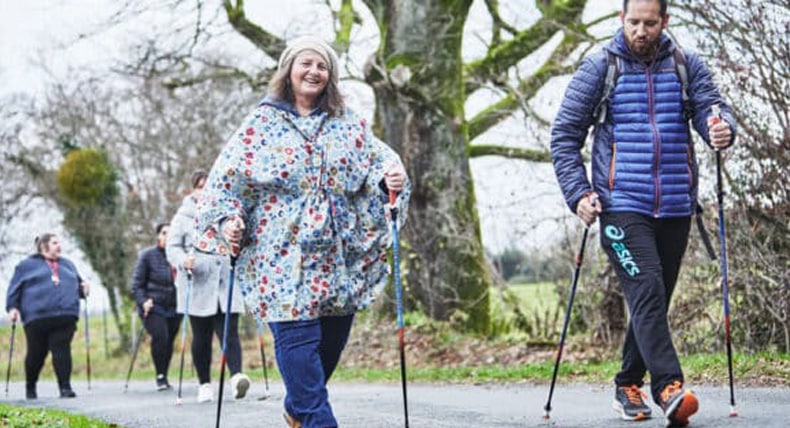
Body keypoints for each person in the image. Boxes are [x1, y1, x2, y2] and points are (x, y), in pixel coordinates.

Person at [193, 36, 410, 428]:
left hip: (337, 260)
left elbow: (380, 163)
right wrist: (230, 220)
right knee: (299, 351)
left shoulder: (348, 122)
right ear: (288, 70)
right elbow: (224, 183)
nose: (314, 71)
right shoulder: (260, 123)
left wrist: (389, 179)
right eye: (305, 63)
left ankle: (297, 409)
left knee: (326, 351)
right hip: (281, 260)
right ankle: (312, 417)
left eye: (322, 66)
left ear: (331, 76)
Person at [550, 0, 735, 426]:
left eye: (650, 23)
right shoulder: (599, 66)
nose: (641, 31)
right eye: (633, 22)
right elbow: (564, 136)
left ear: (664, 22)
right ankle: (669, 387)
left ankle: (626, 383)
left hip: (674, 204)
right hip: (619, 206)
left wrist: (720, 127)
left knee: (653, 297)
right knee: (647, 287)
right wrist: (578, 193)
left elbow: (714, 111)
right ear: (621, 19)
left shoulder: (686, 64)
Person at [166, 170, 251, 403]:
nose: (205, 191)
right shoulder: (183, 217)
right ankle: (204, 383)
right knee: (201, 337)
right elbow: (172, 248)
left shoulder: (226, 213)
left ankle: (236, 377)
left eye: (208, 186)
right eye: (200, 186)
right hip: (198, 284)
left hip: (225, 282)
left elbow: (240, 241)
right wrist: (184, 261)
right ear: (194, 190)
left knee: (229, 333)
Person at [5, 233, 89, 399]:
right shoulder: (25, 266)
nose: (59, 246)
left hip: (65, 315)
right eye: (55, 243)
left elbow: (78, 285)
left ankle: (65, 388)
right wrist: (12, 308)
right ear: (43, 247)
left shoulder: (68, 264)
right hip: (37, 317)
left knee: (61, 349)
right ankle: (31, 386)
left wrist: (83, 289)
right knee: (37, 353)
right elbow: (14, 288)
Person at [131, 222, 180, 391]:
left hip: (174, 306)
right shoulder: (147, 256)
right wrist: (143, 300)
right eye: (165, 233)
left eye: (171, 233)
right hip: (153, 305)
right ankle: (160, 375)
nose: (168, 236)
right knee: (161, 337)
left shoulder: (178, 255)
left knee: (169, 341)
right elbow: (136, 284)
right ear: (158, 236)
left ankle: (164, 374)